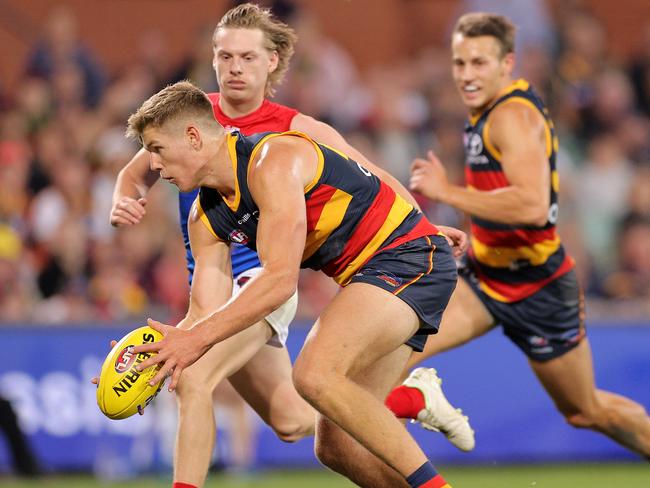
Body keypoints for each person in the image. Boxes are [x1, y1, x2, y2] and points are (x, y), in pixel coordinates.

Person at [110, 5, 473, 487]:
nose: (152, 165)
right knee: (325, 438)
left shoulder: (277, 152)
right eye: (224, 56)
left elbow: (280, 279)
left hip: (401, 258)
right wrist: (151, 355)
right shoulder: (204, 209)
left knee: (310, 377)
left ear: (272, 62)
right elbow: (202, 313)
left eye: (157, 150)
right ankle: (414, 400)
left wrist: (428, 222)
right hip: (363, 274)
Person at [394, 12, 650, 459]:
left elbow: (531, 207)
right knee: (393, 354)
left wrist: (446, 191)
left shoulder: (511, 116)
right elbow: (500, 195)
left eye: (479, 63)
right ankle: (419, 405)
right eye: (460, 63)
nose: (467, 75)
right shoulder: (487, 111)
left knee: (585, 410)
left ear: (506, 62)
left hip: (539, 284)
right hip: (485, 276)